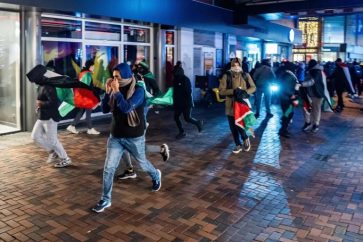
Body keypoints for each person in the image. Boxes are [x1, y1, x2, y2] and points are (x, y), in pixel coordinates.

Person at [92, 63, 161, 213]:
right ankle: (105, 199)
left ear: (126, 75)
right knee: (109, 168)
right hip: (116, 135)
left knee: (142, 163)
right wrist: (107, 92)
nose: (114, 79)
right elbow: (104, 109)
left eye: (117, 76)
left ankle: (155, 174)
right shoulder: (114, 89)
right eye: (113, 76)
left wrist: (116, 92)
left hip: (134, 135)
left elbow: (127, 108)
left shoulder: (138, 90)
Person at [219, 57, 256, 154]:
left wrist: (245, 92)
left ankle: (245, 138)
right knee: (232, 126)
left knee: (240, 125)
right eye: (234, 65)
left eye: (237, 64)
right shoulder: (226, 76)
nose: (236, 66)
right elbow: (221, 91)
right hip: (230, 104)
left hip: (242, 104)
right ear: (231, 65)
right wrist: (233, 91)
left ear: (240, 65)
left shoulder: (245, 75)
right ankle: (237, 145)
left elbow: (253, 87)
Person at [31, 84, 72, 168]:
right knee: (35, 136)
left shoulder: (49, 87)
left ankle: (65, 159)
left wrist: (41, 104)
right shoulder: (40, 86)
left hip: (50, 118)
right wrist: (39, 107)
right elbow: (42, 100)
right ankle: (52, 152)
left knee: (53, 140)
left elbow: (53, 103)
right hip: (42, 116)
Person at [67, 59, 100, 135]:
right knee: (88, 112)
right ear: (90, 66)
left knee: (81, 111)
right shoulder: (87, 74)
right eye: (93, 66)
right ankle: (90, 129)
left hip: (81, 96)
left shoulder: (83, 73)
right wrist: (94, 97)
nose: (94, 68)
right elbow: (87, 87)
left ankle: (72, 126)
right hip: (86, 97)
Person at [173, 63, 203, 139]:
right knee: (176, 117)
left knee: (187, 118)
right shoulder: (175, 80)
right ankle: (181, 132)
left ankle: (198, 123)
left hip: (186, 103)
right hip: (179, 103)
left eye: (175, 73)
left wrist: (188, 103)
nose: (174, 74)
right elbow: (175, 92)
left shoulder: (185, 80)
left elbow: (188, 92)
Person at [301, 59, 325, 133]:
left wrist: (302, 84)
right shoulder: (312, 71)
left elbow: (312, 82)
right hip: (310, 94)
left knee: (316, 110)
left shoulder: (317, 72)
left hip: (317, 94)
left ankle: (315, 124)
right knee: (306, 109)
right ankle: (308, 123)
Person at [276, 61, 299, 138]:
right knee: (288, 113)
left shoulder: (287, 74)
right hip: (287, 98)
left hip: (286, 97)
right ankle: (283, 130)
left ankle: (283, 129)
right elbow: (286, 88)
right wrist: (292, 94)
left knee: (288, 113)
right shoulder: (288, 76)